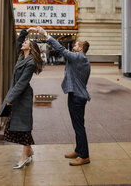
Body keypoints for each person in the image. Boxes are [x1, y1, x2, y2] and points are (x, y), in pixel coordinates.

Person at [37, 26, 91, 166]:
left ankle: (84, 156)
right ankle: (79, 150)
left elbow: (61, 50)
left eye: (77, 45)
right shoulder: (78, 58)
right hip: (75, 95)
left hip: (78, 97)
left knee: (79, 126)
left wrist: (46, 35)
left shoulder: (80, 57)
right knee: (77, 125)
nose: (74, 46)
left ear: (81, 49)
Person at [0, 28, 43, 169]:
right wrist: (26, 31)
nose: (23, 43)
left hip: (23, 97)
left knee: (23, 126)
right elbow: (18, 43)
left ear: (31, 47)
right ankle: (29, 150)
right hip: (17, 95)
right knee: (18, 125)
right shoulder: (21, 56)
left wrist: (9, 98)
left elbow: (22, 83)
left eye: (26, 42)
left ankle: (24, 156)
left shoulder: (30, 62)